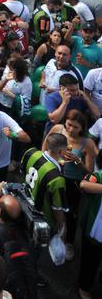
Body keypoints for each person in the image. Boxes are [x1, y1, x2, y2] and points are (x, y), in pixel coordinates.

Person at [43, 109, 96, 260]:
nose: (71, 130)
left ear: (82, 128)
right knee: (50, 207)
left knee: (70, 215)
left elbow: (90, 173)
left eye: (76, 127)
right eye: (69, 125)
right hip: (54, 175)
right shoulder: (58, 129)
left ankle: (69, 243)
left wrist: (77, 161)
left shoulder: (87, 143)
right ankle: (50, 234)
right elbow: (45, 145)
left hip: (73, 183)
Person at [21, 132, 68, 238]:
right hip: (42, 221)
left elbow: (22, 172)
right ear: (61, 152)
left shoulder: (30, 152)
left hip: (24, 205)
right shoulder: (57, 178)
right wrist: (63, 234)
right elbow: (58, 210)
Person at [78, 154, 102, 299]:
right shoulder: (98, 175)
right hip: (95, 230)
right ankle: (84, 287)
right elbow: (84, 185)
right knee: (90, 261)